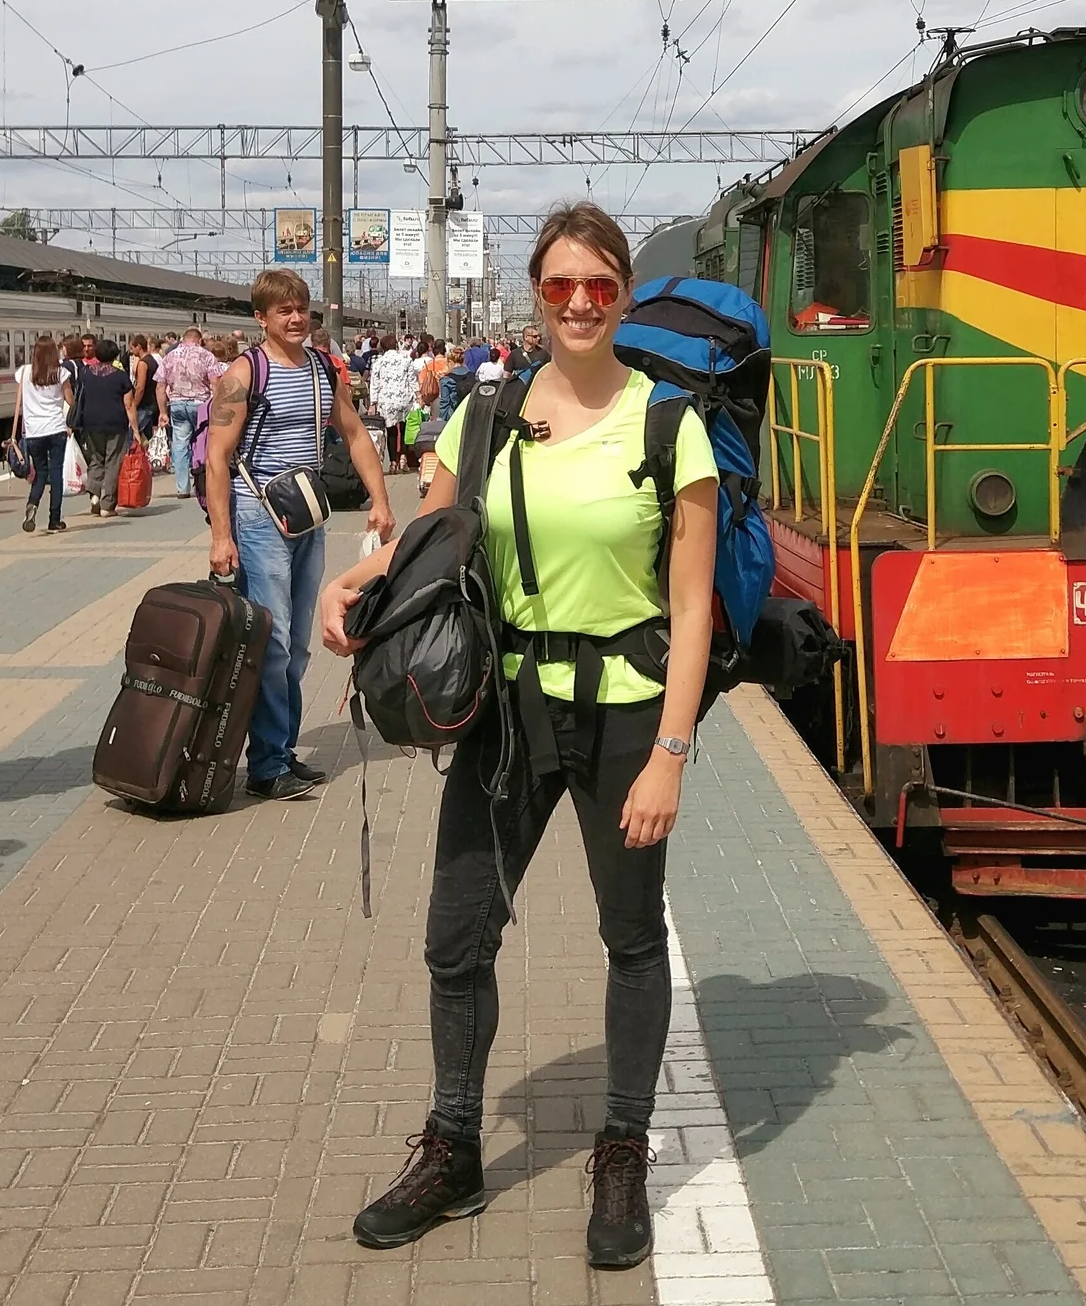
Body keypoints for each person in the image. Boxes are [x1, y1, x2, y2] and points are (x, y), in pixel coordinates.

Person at [320, 203, 719, 1269]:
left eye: (599, 285)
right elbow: (428, 539)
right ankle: (453, 1145)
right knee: (456, 934)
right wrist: (356, 581)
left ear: (624, 293)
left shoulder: (666, 423)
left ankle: (623, 1146)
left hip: (627, 712)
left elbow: (692, 610)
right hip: (504, 711)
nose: (580, 303)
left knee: (630, 938)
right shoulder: (482, 412)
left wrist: (671, 754)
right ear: (535, 297)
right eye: (560, 287)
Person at [204, 268, 394, 802]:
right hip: (259, 519)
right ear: (260, 318)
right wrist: (222, 536)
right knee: (274, 641)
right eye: (283, 310)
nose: (295, 318)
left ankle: (281, 753)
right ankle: (265, 766)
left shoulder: (321, 369)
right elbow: (217, 459)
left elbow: (354, 433)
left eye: (302, 308)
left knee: (299, 647)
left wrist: (381, 500)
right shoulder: (243, 375)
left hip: (307, 518)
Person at [13, 334, 76, 533]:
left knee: (40, 473)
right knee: (56, 474)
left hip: (34, 431)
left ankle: (32, 504)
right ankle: (54, 520)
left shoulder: (24, 372)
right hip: (56, 428)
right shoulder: (61, 373)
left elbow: (20, 400)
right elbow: (70, 401)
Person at [73, 338, 136, 518]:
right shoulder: (120, 375)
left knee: (95, 460)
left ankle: (94, 494)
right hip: (116, 423)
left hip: (91, 423)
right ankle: (107, 505)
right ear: (115, 355)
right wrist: (136, 431)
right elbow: (129, 405)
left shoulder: (85, 373)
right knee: (113, 462)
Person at [158, 327, 216, 500]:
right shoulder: (207, 356)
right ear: (199, 340)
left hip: (176, 404)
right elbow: (216, 383)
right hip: (201, 405)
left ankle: (182, 488)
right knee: (205, 443)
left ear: (183, 339)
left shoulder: (169, 357)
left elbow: (160, 386)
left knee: (180, 445)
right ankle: (205, 481)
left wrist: (162, 412)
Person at [366, 334, 418, 474]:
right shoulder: (406, 359)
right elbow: (412, 380)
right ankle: (403, 457)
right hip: (404, 399)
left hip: (387, 400)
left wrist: (373, 403)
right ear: (396, 345)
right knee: (405, 428)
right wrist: (418, 395)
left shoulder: (379, 362)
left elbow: (374, 384)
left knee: (391, 431)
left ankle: (393, 462)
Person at [126, 334, 160, 448]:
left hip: (144, 404)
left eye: (132, 348)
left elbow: (140, 387)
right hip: (153, 402)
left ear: (139, 347)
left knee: (134, 434)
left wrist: (134, 404)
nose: (131, 351)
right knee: (147, 434)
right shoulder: (152, 361)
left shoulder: (143, 363)